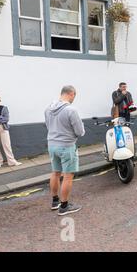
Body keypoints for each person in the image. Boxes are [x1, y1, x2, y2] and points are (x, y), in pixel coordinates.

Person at [45, 86, 85, 216]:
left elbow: (48, 126)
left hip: (52, 144)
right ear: (71, 94)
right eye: (74, 96)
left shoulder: (48, 108)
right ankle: (64, 206)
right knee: (68, 176)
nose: (74, 98)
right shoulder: (71, 110)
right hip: (66, 145)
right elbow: (80, 132)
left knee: (56, 173)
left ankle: (55, 201)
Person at [0, 95, 22, 169]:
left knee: (7, 145)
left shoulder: (3, 108)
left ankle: (11, 161)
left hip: (3, 127)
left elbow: (6, 119)